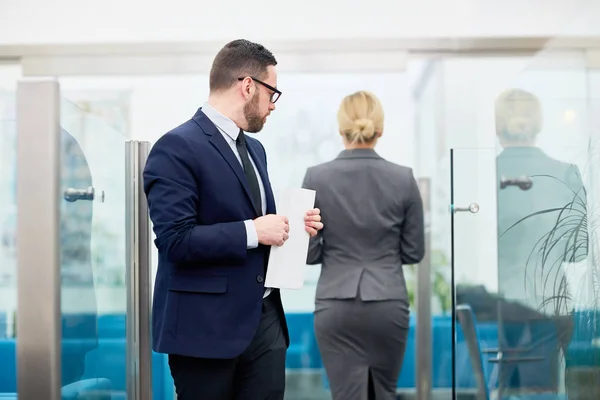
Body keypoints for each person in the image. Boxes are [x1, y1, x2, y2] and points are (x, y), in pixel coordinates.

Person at [143, 39, 323, 400]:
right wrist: (254, 231)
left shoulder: (255, 149)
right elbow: (175, 240)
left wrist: (292, 228)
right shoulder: (175, 147)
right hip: (205, 329)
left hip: (265, 323)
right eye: (272, 93)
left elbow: (258, 227)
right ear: (247, 86)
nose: (273, 106)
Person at [301, 91, 425, 399]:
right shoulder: (404, 178)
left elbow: (310, 254)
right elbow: (413, 252)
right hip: (387, 303)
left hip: (335, 304)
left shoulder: (316, 177)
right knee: (384, 393)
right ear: (379, 130)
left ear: (340, 129)